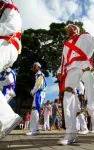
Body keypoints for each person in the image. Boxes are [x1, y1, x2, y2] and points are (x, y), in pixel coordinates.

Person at [58, 24, 94, 145]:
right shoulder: (66, 45)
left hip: (84, 64)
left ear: (77, 29)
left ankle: (92, 110)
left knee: (90, 81)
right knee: (67, 95)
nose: (69, 29)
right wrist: (60, 72)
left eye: (72, 27)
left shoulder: (85, 37)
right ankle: (70, 133)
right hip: (71, 69)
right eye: (68, 28)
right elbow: (63, 61)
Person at [0, 0, 22, 140]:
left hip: (6, 44)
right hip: (7, 45)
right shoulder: (8, 13)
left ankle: (7, 118)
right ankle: (5, 119)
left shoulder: (12, 11)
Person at [26, 62, 47, 136]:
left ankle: (34, 130)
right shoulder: (39, 75)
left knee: (35, 109)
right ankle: (36, 129)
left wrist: (32, 91)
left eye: (34, 66)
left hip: (39, 93)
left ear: (38, 67)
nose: (33, 68)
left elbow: (38, 85)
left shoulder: (40, 74)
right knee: (35, 110)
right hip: (39, 93)